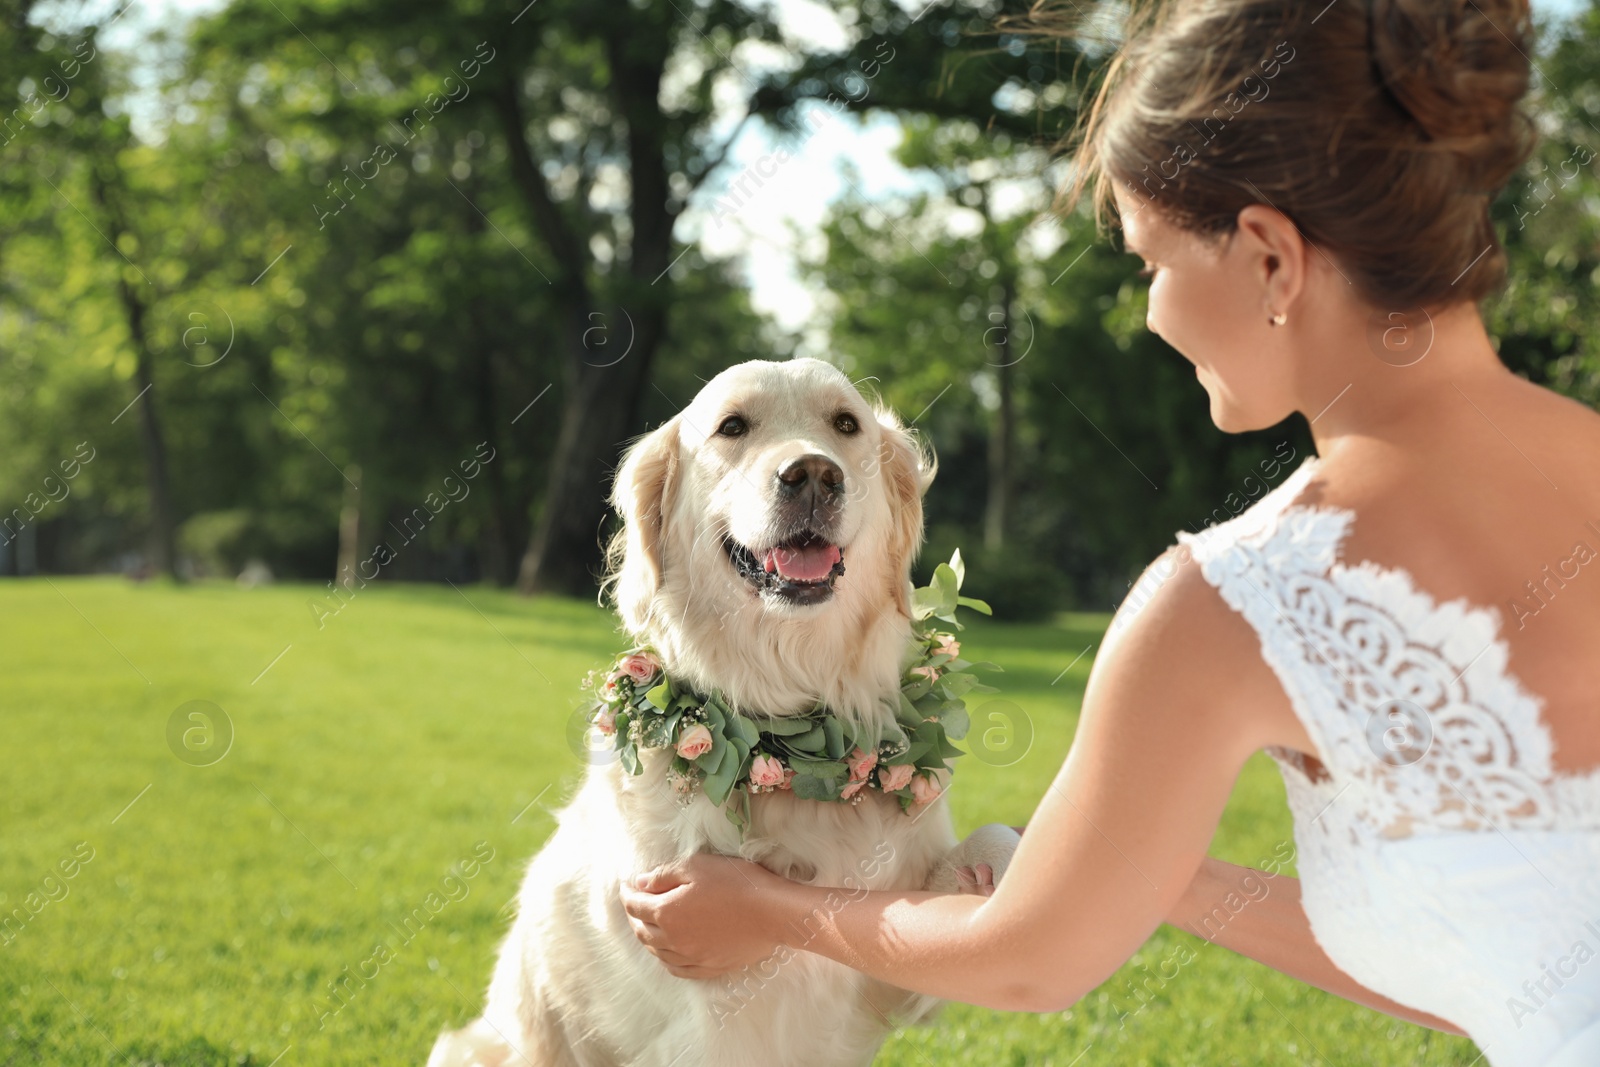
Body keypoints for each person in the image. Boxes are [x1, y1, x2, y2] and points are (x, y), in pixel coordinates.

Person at [619, 0, 1600, 1062]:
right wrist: (1152, 865)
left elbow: (1027, 959)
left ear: (1269, 258)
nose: (1152, 315)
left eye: (1151, 263)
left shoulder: (1239, 598)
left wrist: (768, 910)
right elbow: (1508, 947)